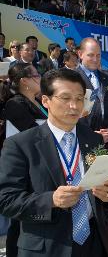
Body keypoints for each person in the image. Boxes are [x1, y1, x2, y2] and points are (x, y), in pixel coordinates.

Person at [0, 69, 108, 257]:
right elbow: (6, 200)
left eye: (79, 98)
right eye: (65, 98)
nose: (74, 106)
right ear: (45, 101)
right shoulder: (20, 145)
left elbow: (102, 186)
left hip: (95, 241)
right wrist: (51, 200)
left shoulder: (93, 139)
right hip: (48, 246)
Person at [3, 63, 48, 257]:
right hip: (24, 166)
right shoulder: (15, 104)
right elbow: (33, 134)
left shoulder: (37, 102)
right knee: (19, 220)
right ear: (24, 82)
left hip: (39, 163)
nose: (40, 79)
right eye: (36, 76)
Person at [76, 37, 108, 155]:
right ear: (80, 54)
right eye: (91, 55)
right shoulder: (70, 78)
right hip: (83, 143)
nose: (95, 59)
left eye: (98, 55)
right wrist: (90, 134)